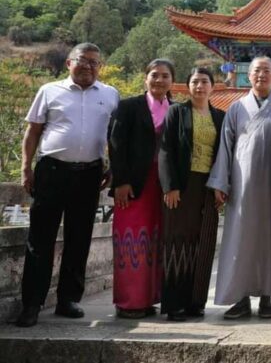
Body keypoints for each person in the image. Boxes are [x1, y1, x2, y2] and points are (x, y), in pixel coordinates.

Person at [15, 43, 120, 327]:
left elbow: (114, 134)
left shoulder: (110, 94)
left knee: (79, 238)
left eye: (94, 63)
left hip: (90, 174)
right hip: (51, 171)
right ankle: (32, 304)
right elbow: (33, 130)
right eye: (82, 61)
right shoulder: (49, 91)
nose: (88, 66)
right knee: (41, 239)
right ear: (68, 63)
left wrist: (113, 166)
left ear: (101, 66)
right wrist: (26, 167)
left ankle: (68, 299)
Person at [207, 57, 271, 319]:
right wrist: (221, 182)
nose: (261, 75)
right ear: (248, 75)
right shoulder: (236, 108)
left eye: (267, 70)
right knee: (240, 240)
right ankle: (240, 298)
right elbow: (225, 147)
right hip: (243, 186)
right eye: (257, 71)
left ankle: (267, 298)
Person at [109, 58, 175, 319]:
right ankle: (129, 302)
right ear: (145, 78)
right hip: (135, 184)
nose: (159, 80)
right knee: (132, 241)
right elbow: (115, 143)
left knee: (156, 242)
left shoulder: (177, 109)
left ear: (172, 81)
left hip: (164, 185)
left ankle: (150, 298)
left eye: (165, 76)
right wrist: (121, 181)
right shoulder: (128, 107)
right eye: (154, 75)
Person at [158, 67, 225, 321]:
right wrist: (170, 186)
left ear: (212, 86)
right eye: (195, 82)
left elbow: (225, 154)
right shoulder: (177, 111)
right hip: (182, 186)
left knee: (205, 242)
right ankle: (175, 303)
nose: (199, 86)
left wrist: (222, 186)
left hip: (209, 186)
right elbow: (166, 150)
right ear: (188, 86)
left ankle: (196, 302)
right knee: (178, 242)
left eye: (204, 82)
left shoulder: (220, 116)